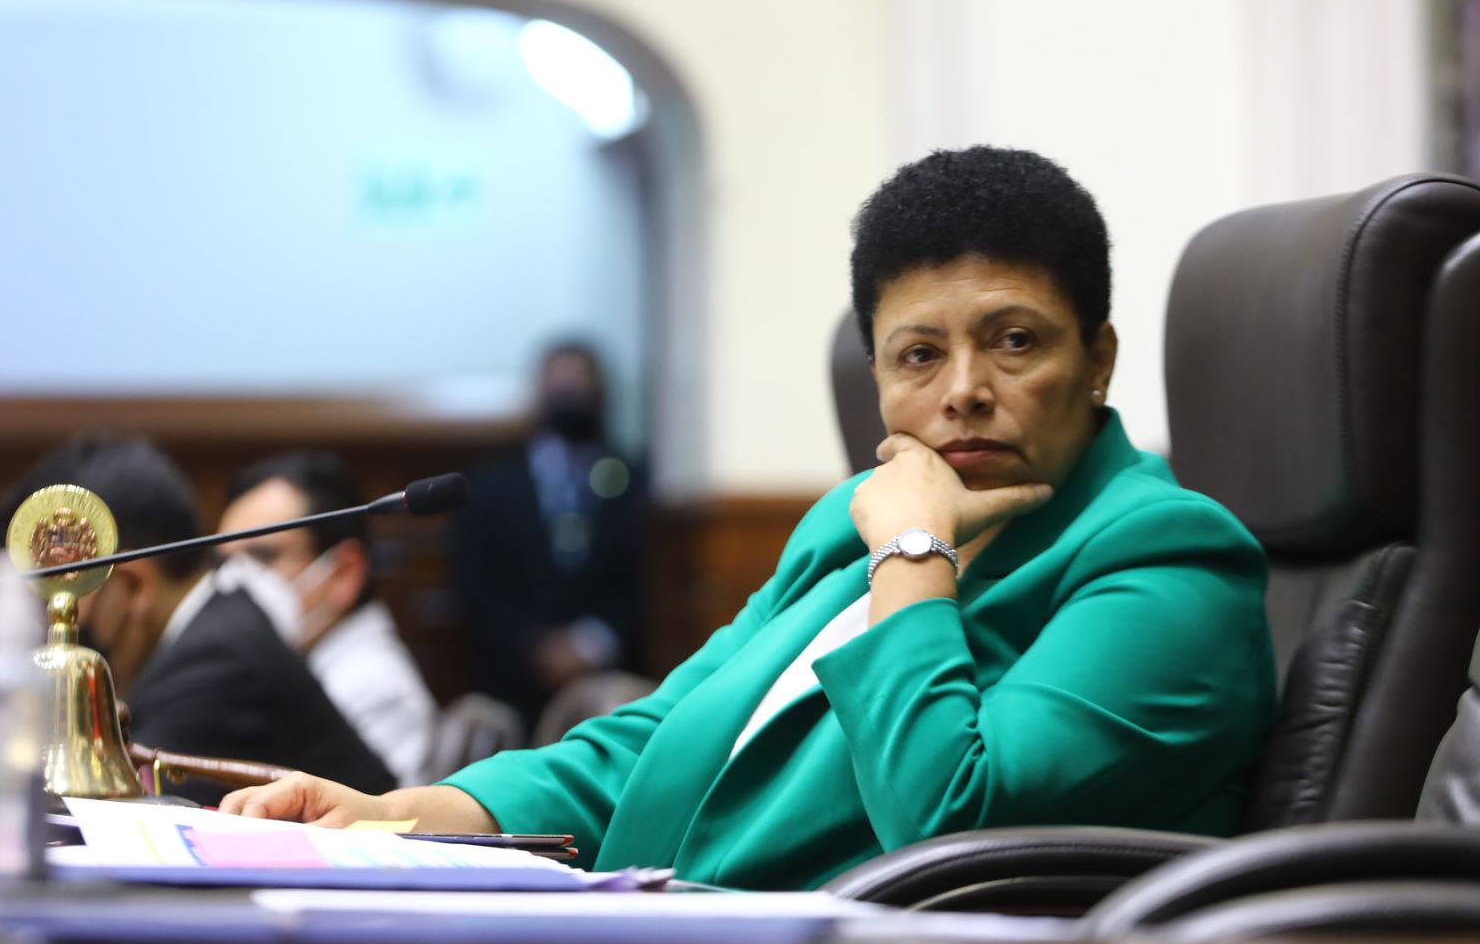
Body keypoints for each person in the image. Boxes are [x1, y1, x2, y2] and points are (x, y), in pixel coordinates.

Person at [220, 147, 1277, 891]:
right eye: (919, 355)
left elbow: (954, 825)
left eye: (1014, 341)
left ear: (1097, 361)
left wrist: (915, 555)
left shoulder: (1164, 558)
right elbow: (650, 741)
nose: (962, 391)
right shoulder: (848, 525)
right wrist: (396, 816)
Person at [0, 435, 394, 805]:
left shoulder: (220, 660)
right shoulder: (212, 631)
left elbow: (109, 819)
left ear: (132, 587)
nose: (47, 620)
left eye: (54, 592)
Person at [452, 341, 649, 731]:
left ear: (602, 394)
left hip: (609, 688)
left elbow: (645, 579)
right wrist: (533, 649)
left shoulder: (635, 480)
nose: (571, 397)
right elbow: (477, 584)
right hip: (511, 689)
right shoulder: (492, 484)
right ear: (540, 391)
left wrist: (590, 645)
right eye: (561, 387)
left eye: (581, 386)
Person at [217, 451, 435, 786]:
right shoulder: (284, 659)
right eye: (224, 562)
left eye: (263, 556)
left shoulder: (376, 688)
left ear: (344, 572)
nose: (233, 580)